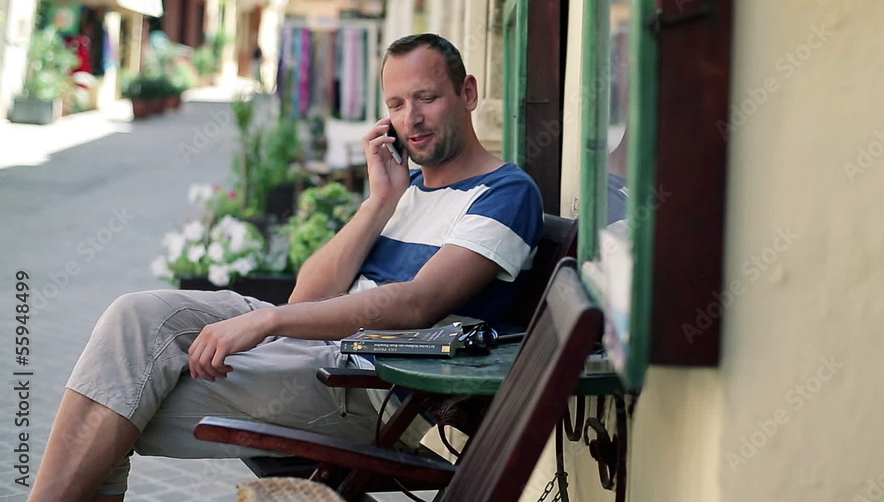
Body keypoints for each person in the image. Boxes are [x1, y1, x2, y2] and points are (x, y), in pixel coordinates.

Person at [30, 33, 544, 501]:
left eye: (427, 97)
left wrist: (266, 321)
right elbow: (307, 298)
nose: (412, 119)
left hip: (374, 390)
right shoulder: (406, 190)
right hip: (323, 351)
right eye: (396, 104)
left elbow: (417, 303)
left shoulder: (504, 193)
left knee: (114, 396)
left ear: (468, 93)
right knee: (136, 318)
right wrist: (379, 203)